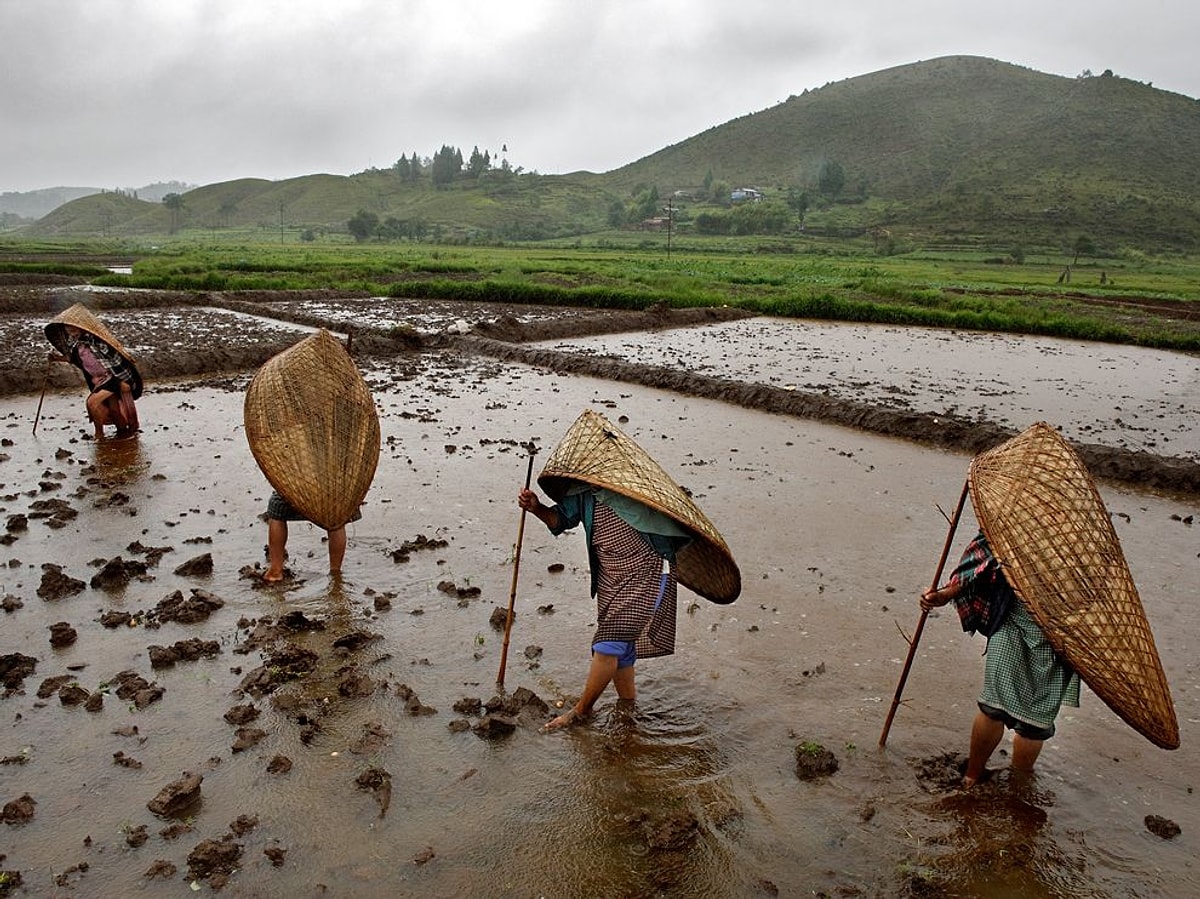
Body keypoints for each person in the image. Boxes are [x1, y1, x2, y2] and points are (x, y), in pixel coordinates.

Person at [518, 483, 692, 731]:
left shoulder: (637, 486)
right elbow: (560, 519)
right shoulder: (583, 491)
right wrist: (536, 508)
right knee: (621, 651)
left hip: (648, 572)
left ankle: (581, 712)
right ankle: (628, 711)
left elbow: (673, 524)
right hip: (611, 577)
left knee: (608, 644)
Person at [921, 530, 1080, 787]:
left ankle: (1017, 782)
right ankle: (973, 777)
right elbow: (982, 559)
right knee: (995, 705)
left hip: (1057, 637)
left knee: (1034, 722)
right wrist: (945, 594)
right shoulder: (1014, 522)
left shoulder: (1076, 541)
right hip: (1014, 620)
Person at [48, 323, 140, 438]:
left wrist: (124, 380)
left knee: (92, 403)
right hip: (98, 380)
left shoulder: (96, 341)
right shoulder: (75, 344)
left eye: (73, 327)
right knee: (114, 410)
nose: (70, 330)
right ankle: (123, 432)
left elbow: (116, 358)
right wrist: (56, 358)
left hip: (112, 378)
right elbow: (74, 360)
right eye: (67, 328)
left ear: (81, 327)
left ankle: (99, 435)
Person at [262, 490, 351, 583]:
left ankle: (275, 572)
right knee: (337, 515)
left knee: (276, 505)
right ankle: (335, 573)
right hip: (336, 489)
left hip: (304, 488)